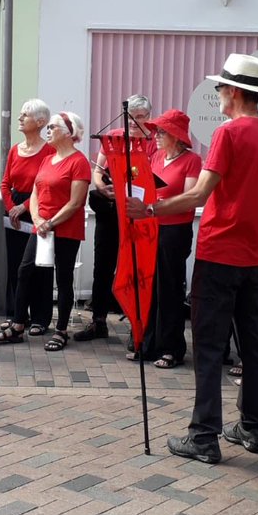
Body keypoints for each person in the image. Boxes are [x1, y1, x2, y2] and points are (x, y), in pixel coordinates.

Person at [127, 54, 258, 462]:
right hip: (254, 254)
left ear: (233, 91)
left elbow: (199, 194)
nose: (217, 95)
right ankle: (253, 427)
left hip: (220, 252)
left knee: (211, 347)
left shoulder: (229, 134)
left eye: (219, 89)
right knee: (253, 344)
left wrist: (148, 210)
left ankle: (204, 436)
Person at [0, 111, 91, 352]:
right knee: (25, 271)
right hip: (42, 227)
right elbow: (35, 193)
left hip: (65, 229)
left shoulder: (79, 162)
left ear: (69, 133)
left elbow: (76, 202)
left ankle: (61, 330)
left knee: (63, 278)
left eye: (53, 127)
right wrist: (37, 219)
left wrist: (51, 222)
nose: (48, 130)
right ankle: (17, 325)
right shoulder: (48, 160)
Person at [74, 94, 154, 343]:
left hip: (138, 213)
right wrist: (104, 187)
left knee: (135, 268)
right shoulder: (114, 137)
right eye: (130, 117)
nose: (134, 122)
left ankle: (137, 325)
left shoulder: (154, 140)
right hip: (110, 210)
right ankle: (98, 320)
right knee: (103, 264)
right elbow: (98, 171)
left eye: (139, 118)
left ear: (148, 118)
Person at [139, 111, 201, 368]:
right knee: (150, 287)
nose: (157, 136)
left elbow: (189, 199)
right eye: (157, 131)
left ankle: (172, 347)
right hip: (152, 227)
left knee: (170, 289)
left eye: (162, 132)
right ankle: (150, 343)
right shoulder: (155, 156)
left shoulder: (192, 161)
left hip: (175, 230)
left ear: (176, 136)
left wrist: (160, 204)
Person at [0, 99, 53, 332]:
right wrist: (12, 207)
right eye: (20, 114)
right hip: (13, 213)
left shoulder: (49, 151)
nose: (20, 118)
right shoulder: (15, 149)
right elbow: (5, 182)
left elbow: (43, 187)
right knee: (16, 264)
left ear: (40, 122)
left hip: (38, 210)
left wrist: (23, 206)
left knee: (38, 265)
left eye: (25, 115)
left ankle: (40, 318)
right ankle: (18, 314)